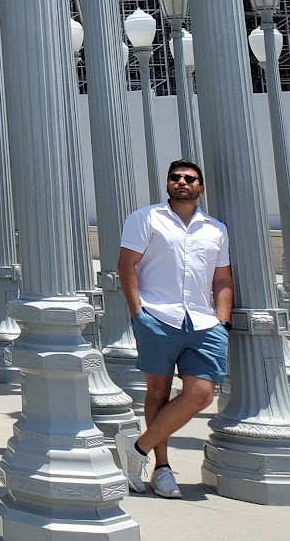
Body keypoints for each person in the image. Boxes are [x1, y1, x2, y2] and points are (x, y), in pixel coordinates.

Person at [116, 159, 231, 499]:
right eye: (175, 177)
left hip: (204, 322)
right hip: (158, 316)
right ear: (167, 184)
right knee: (158, 393)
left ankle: (135, 448)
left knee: (201, 394)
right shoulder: (145, 218)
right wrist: (139, 313)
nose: (181, 182)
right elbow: (127, 265)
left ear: (201, 187)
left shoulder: (215, 229)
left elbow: (222, 277)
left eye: (189, 178)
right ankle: (162, 467)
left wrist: (222, 321)